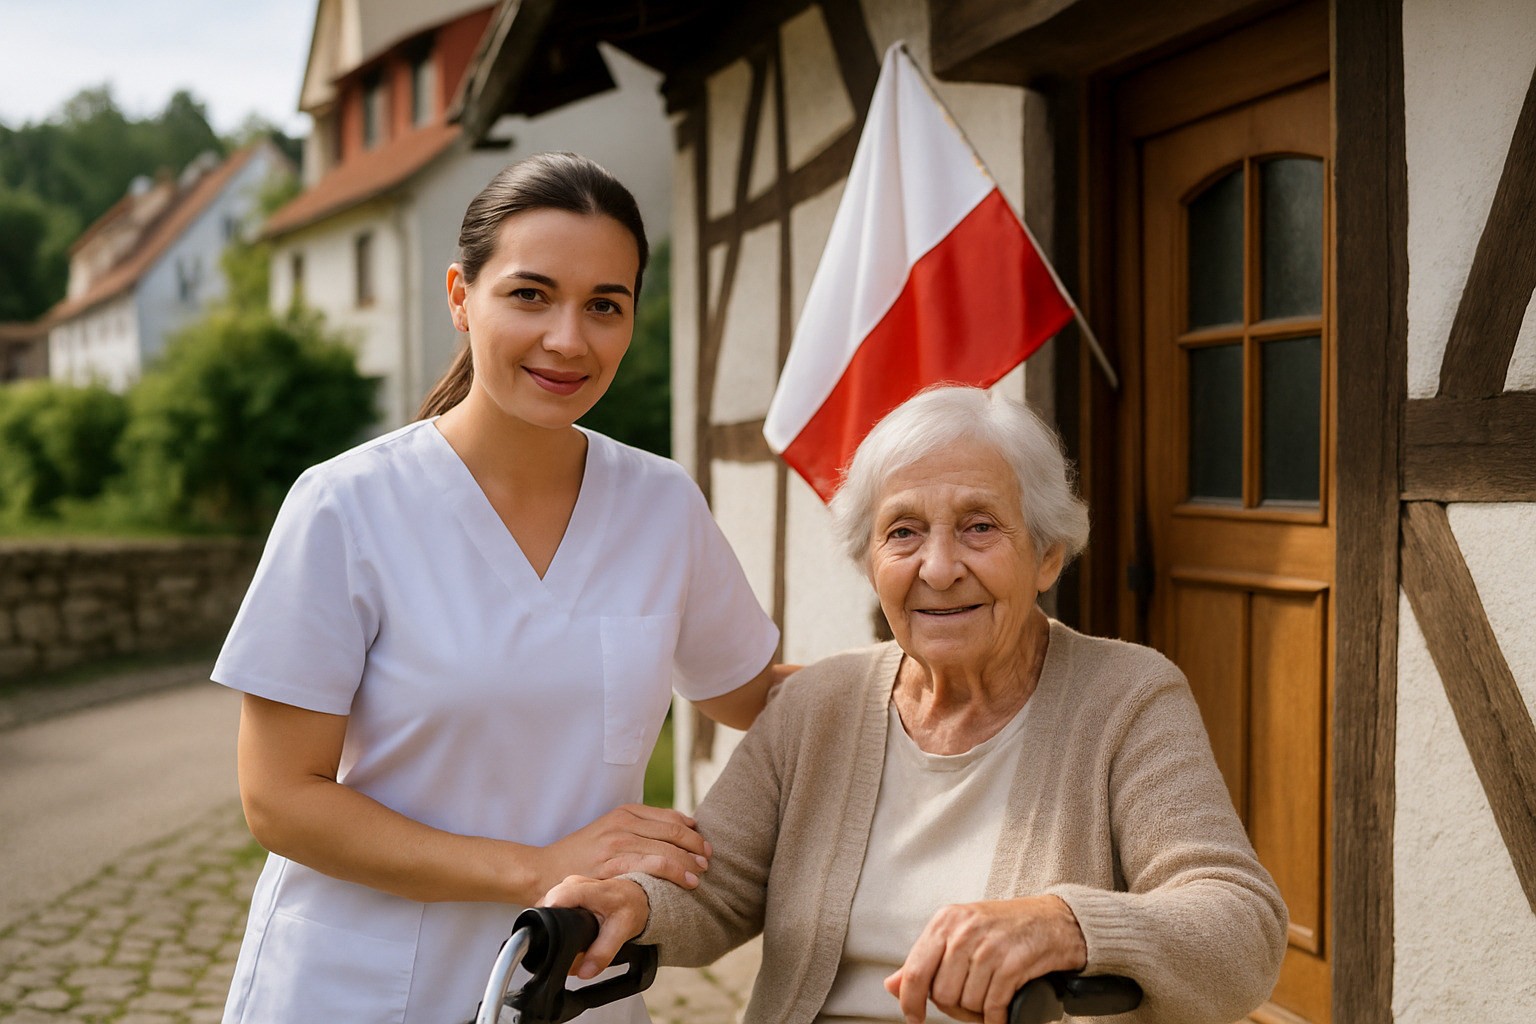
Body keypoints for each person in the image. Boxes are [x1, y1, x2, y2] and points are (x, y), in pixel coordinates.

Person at [214, 152, 783, 1024]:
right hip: (360, 986)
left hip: (569, 984)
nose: (569, 339)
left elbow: (755, 696)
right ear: (461, 295)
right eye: (530, 295)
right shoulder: (345, 506)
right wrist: (536, 867)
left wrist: (940, 673)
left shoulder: (662, 505)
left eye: (605, 305)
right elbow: (281, 800)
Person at [546, 385, 1289, 1024]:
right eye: (902, 532)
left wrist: (1065, 923)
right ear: (871, 563)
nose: (938, 568)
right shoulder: (815, 704)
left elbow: (1242, 928)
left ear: (1047, 554)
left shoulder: (1127, 697)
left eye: (979, 527)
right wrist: (632, 902)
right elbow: (717, 885)